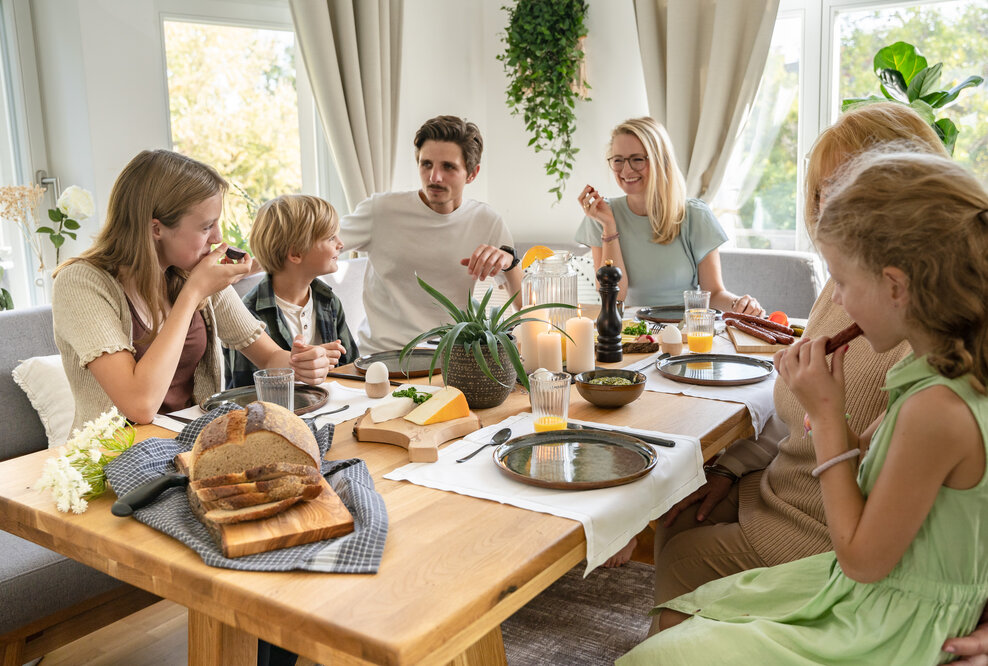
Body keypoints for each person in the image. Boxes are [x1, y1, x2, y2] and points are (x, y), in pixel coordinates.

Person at [622, 147, 988, 664]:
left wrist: (828, 418)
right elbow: (878, 460)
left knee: (658, 655)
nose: (835, 300)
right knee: (691, 609)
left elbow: (861, 559)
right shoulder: (932, 372)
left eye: (841, 281)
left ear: (896, 287)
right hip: (872, 594)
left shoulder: (938, 409)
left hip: (890, 619)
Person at [648, 102, 949, 605]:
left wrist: (827, 415)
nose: (831, 203)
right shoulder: (843, 286)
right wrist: (731, 467)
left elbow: (887, 491)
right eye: (822, 189)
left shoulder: (922, 338)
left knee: (682, 556)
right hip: (780, 491)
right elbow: (796, 413)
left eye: (852, 182)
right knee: (675, 523)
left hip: (824, 532)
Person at [51, 149, 332, 431]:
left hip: (193, 444)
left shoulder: (192, 271)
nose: (218, 237)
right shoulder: (80, 283)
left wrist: (299, 363)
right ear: (156, 229)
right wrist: (193, 293)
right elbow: (140, 405)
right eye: (206, 226)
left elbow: (268, 357)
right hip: (115, 457)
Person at [340, 115, 522, 354]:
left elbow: (524, 307)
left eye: (448, 167)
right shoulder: (380, 211)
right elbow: (321, 244)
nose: (434, 177)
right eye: (426, 164)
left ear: (472, 173)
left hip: (451, 360)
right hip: (383, 360)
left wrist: (509, 262)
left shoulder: (486, 221)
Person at [574, 116, 763, 315]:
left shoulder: (695, 215)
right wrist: (609, 228)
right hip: (630, 334)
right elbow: (614, 297)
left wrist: (740, 305)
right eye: (618, 160)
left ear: (661, 161)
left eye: (637, 159)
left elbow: (714, 294)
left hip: (684, 332)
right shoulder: (602, 216)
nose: (626, 170)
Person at [226, 194, 358, 388]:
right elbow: (247, 392)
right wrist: (308, 363)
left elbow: (352, 369)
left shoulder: (328, 301)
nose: (341, 244)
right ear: (296, 253)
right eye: (331, 238)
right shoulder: (247, 314)